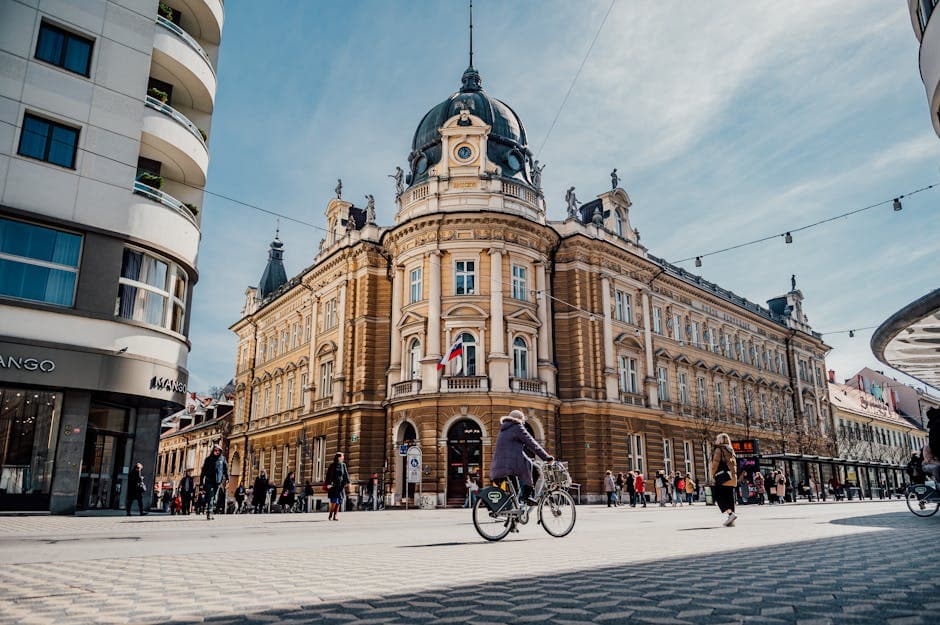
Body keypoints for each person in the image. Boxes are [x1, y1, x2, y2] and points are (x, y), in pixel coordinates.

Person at [489, 409, 554, 506]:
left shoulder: (503, 429)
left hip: (497, 466)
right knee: (536, 470)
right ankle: (527, 496)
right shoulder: (517, 427)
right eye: (523, 421)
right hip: (511, 466)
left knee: (514, 492)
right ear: (519, 419)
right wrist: (546, 457)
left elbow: (512, 450)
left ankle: (514, 516)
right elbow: (531, 443)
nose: (523, 423)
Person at [710, 433, 739, 527]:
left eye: (717, 439)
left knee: (718, 496)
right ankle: (731, 521)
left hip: (722, 478)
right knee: (730, 499)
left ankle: (731, 515)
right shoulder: (731, 450)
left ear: (721, 440)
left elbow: (715, 464)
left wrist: (712, 475)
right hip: (731, 477)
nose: (716, 440)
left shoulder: (719, 449)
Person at [200, 443, 229, 521]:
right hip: (209, 481)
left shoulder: (222, 459)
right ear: (213, 451)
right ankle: (209, 513)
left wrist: (227, 479)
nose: (217, 452)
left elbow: (226, 470)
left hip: (218, 481)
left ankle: (210, 511)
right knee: (211, 496)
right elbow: (203, 471)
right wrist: (201, 483)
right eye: (215, 450)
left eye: (218, 451)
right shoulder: (208, 459)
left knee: (214, 497)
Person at [324, 452, 350, 521]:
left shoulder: (343, 465)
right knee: (334, 501)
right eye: (342, 456)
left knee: (339, 502)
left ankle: (335, 516)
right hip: (333, 486)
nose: (343, 457)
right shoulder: (332, 465)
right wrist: (328, 484)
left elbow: (345, 474)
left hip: (340, 486)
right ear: (338, 457)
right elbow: (328, 475)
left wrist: (348, 482)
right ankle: (330, 514)